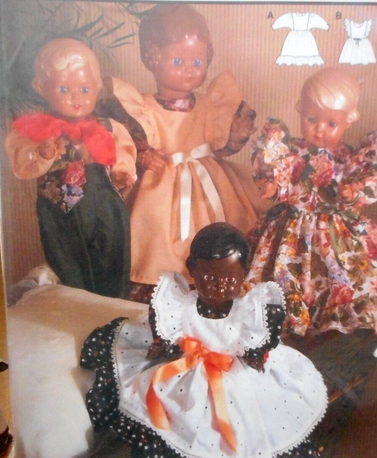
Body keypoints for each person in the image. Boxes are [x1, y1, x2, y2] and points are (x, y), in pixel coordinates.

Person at [246, 68, 377, 456]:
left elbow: (364, 187)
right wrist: (273, 185)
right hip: (290, 235)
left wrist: (352, 190)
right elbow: (278, 179)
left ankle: (322, 376)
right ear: (299, 110)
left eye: (331, 123)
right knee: (281, 293)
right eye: (312, 118)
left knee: (341, 290)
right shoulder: (290, 151)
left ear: (349, 120)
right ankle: (284, 365)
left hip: (336, 239)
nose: (319, 130)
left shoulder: (354, 160)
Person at [81, 223, 327, 458]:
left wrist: (257, 356)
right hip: (188, 373)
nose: (219, 285)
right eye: (209, 278)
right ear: (192, 270)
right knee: (171, 414)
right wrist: (162, 346)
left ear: (244, 272)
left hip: (236, 375)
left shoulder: (249, 313)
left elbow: (257, 344)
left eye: (229, 278)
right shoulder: (180, 307)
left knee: (250, 419)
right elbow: (169, 337)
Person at [100, 3, 270, 303]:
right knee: (157, 236)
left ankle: (221, 280)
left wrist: (235, 137)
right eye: (178, 61)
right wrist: (144, 156)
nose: (190, 70)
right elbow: (131, 141)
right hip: (163, 185)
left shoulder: (209, 104)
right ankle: (165, 288)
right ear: (152, 58)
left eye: (198, 62)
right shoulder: (143, 107)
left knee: (228, 222)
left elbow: (220, 146)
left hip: (210, 181)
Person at [5, 38, 137, 298]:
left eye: (85, 89)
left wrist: (122, 172)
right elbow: (21, 163)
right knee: (69, 265)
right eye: (64, 89)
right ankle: (78, 306)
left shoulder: (108, 127)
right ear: (41, 88)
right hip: (59, 210)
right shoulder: (36, 129)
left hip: (104, 205)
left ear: (97, 88)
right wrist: (42, 155)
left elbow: (123, 152)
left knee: (112, 258)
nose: (76, 98)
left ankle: (114, 305)